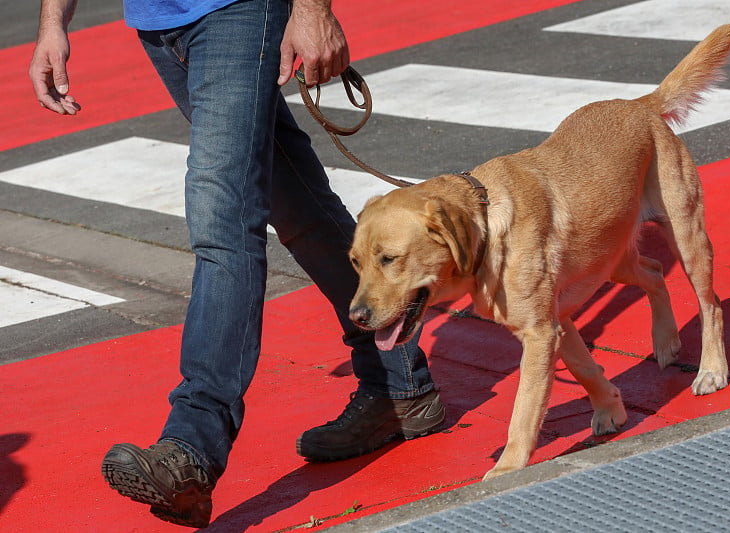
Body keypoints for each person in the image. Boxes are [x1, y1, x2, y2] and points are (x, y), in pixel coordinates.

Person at [29, 0, 445, 527]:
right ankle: (398, 384)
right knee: (294, 201)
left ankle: (191, 448)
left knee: (222, 219)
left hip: (237, 9)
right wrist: (52, 23)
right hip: (159, 23)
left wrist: (312, 9)